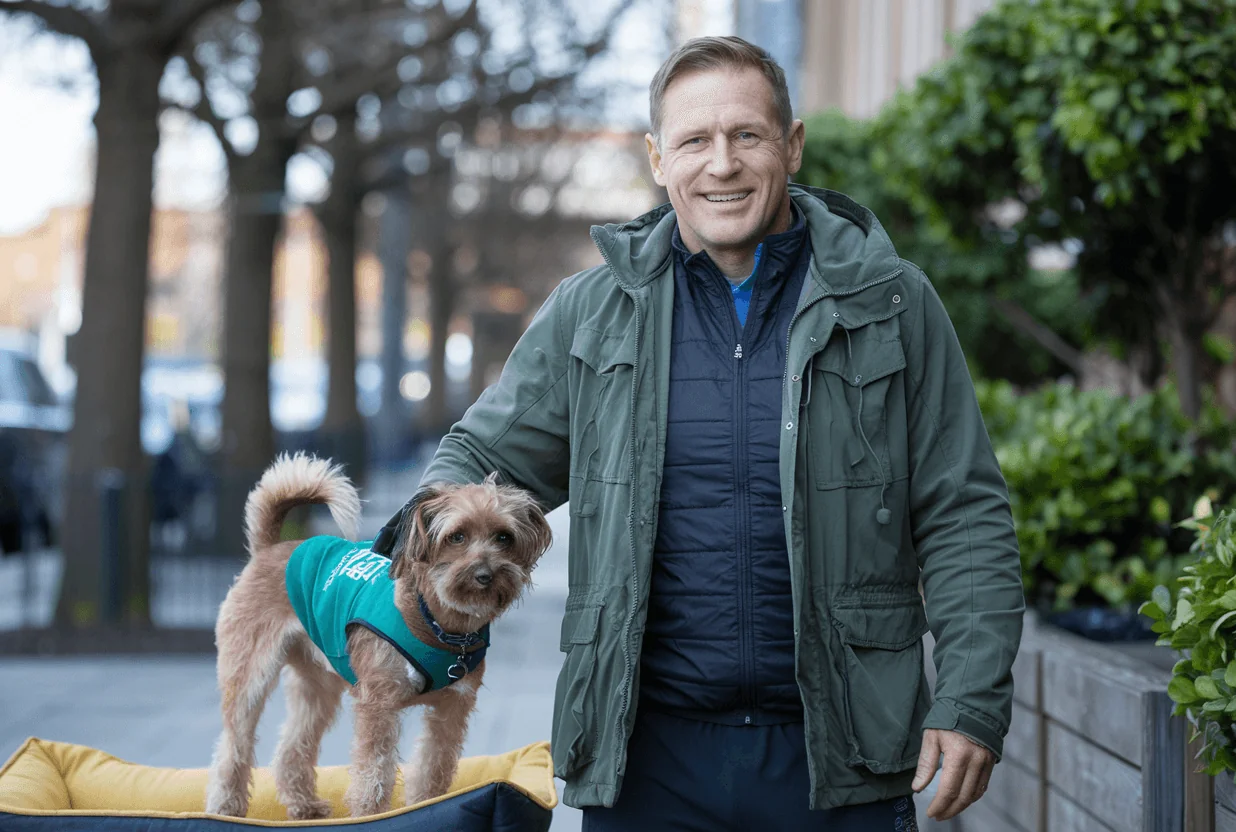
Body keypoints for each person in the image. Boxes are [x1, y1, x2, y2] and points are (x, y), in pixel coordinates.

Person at [405, 35, 1025, 831]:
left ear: (791, 147)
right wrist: (397, 595)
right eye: (695, 140)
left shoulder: (892, 304)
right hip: (645, 762)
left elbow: (963, 511)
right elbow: (476, 461)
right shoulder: (590, 314)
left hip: (841, 761)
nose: (721, 164)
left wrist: (971, 699)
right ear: (659, 160)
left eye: (747, 136)